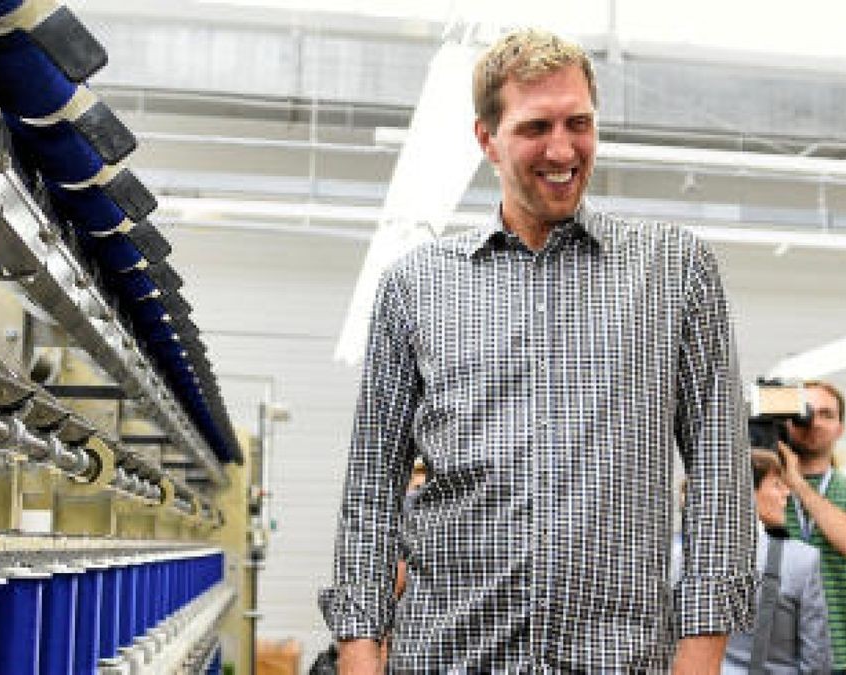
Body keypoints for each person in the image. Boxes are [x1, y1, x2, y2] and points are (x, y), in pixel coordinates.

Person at [319, 27, 756, 673]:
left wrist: (700, 654)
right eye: (534, 127)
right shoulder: (415, 284)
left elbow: (721, 474)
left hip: (619, 659)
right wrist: (360, 654)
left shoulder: (672, 267)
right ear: (486, 139)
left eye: (578, 122)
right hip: (449, 655)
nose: (562, 148)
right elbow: (371, 489)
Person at [778, 381, 846, 675]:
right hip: (774, 656)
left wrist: (799, 485)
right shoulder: (766, 488)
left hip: (836, 653)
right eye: (806, 413)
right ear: (788, 421)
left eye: (827, 414)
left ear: (840, 428)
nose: (815, 422)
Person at [723, 450, 831, 674]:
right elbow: (816, 660)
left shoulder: (680, 554)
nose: (787, 493)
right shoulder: (801, 560)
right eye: (776, 484)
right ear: (748, 492)